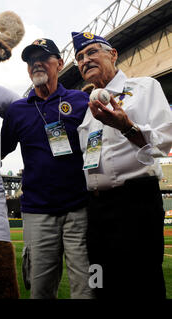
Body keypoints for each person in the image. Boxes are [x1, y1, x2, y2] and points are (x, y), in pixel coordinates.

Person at [72, 31, 172, 299]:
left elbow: (165, 141)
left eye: (92, 52)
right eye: (80, 57)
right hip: (96, 208)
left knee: (142, 285)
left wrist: (126, 127)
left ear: (113, 54)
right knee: (100, 284)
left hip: (135, 203)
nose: (85, 60)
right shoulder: (87, 107)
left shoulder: (145, 87)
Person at [1, 38, 94, 299]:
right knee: (39, 290)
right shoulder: (17, 110)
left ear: (60, 63)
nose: (36, 64)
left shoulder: (79, 101)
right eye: (31, 61)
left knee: (87, 288)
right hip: (38, 212)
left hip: (80, 209)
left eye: (44, 58)